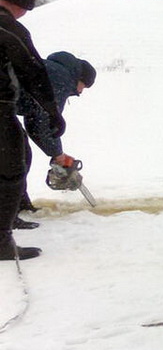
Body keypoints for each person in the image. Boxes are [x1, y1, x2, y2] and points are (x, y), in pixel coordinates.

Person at [0, 0, 63, 260]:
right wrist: (52, 111)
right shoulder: (8, 28)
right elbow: (33, 71)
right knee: (14, 165)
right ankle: (1, 241)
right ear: (19, 4)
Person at [16, 50, 96, 223]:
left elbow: (34, 120)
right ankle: (10, 211)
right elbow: (44, 123)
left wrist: (56, 153)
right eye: (84, 87)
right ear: (80, 79)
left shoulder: (53, 71)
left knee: (19, 152)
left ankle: (18, 206)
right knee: (15, 156)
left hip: (5, 107)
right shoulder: (61, 79)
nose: (81, 92)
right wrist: (59, 155)